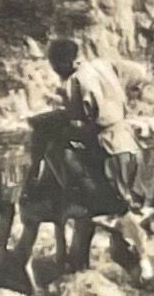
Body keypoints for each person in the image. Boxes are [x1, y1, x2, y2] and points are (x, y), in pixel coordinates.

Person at [46, 35, 144, 215]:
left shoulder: (75, 80)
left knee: (58, 150)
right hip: (126, 134)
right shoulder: (101, 65)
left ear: (62, 63)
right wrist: (131, 95)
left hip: (106, 141)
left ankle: (78, 203)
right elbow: (139, 72)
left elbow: (78, 118)